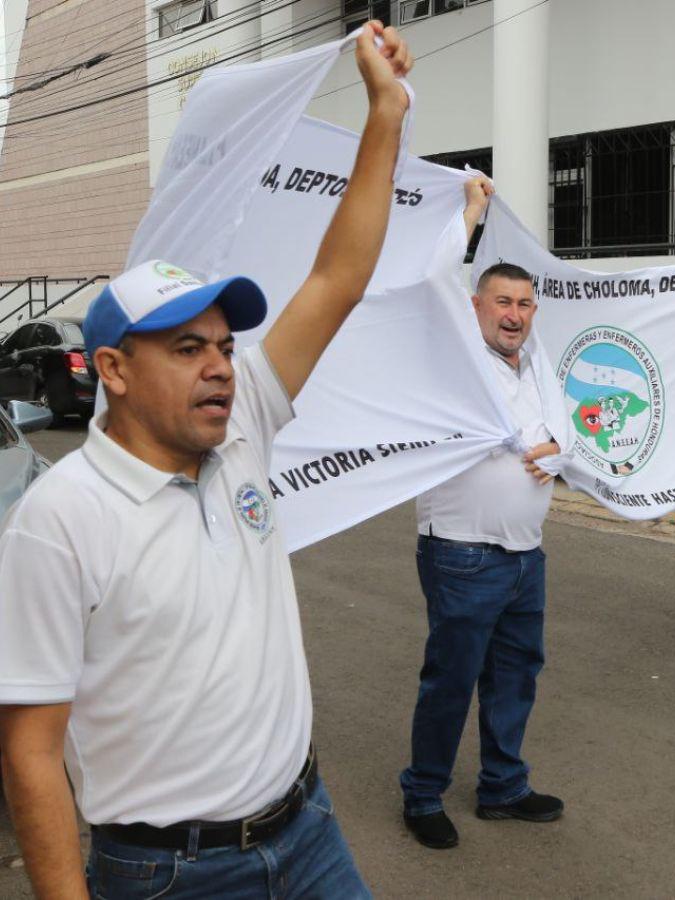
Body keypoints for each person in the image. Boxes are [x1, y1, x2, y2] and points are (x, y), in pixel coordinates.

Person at [0, 22, 412, 898]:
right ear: (113, 370)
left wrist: (386, 112)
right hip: (169, 874)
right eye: (187, 348)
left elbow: (338, 278)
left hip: (308, 834)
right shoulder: (58, 519)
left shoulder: (246, 420)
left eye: (225, 345)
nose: (222, 366)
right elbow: (30, 750)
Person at [399, 179, 564, 850]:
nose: (514, 314)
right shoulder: (455, 355)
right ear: (475, 307)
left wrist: (560, 451)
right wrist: (470, 212)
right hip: (462, 553)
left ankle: (503, 787)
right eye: (502, 301)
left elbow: (561, 432)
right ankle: (422, 795)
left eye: (524, 303)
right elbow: (431, 278)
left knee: (515, 677)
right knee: (452, 681)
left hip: (526, 555)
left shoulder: (536, 366)